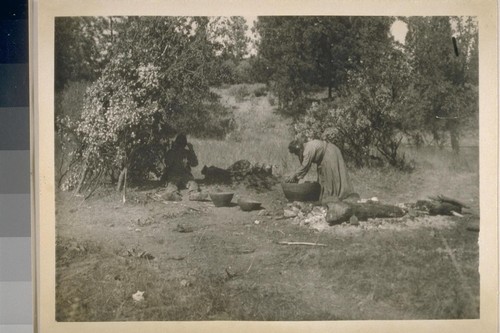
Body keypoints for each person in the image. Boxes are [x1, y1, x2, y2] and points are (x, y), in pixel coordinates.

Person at [285, 138, 359, 203]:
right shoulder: (303, 149)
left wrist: (294, 175)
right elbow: (303, 164)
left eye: (296, 152)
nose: (296, 154)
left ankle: (339, 197)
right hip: (323, 158)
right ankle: (328, 197)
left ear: (299, 149)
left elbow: (305, 166)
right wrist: (296, 177)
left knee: (332, 176)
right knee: (323, 178)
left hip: (330, 153)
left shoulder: (308, 150)